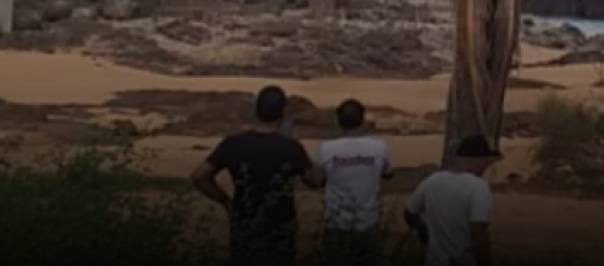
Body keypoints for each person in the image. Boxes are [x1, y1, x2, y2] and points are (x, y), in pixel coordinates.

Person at [190, 85, 322, 266]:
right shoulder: (291, 147)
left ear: (256, 110)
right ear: (282, 113)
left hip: (244, 220)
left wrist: (226, 202)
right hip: (280, 225)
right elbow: (314, 181)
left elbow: (199, 177)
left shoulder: (233, 143)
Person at [316, 99, 394, 264]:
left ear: (338, 121)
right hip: (368, 222)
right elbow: (388, 173)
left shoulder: (326, 148)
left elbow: (320, 178)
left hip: (336, 223)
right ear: (363, 120)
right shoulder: (379, 147)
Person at [403, 134, 500, 266]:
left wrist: (422, 228)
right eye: (486, 163)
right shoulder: (478, 188)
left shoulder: (432, 181)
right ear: (478, 163)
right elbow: (478, 232)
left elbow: (409, 213)